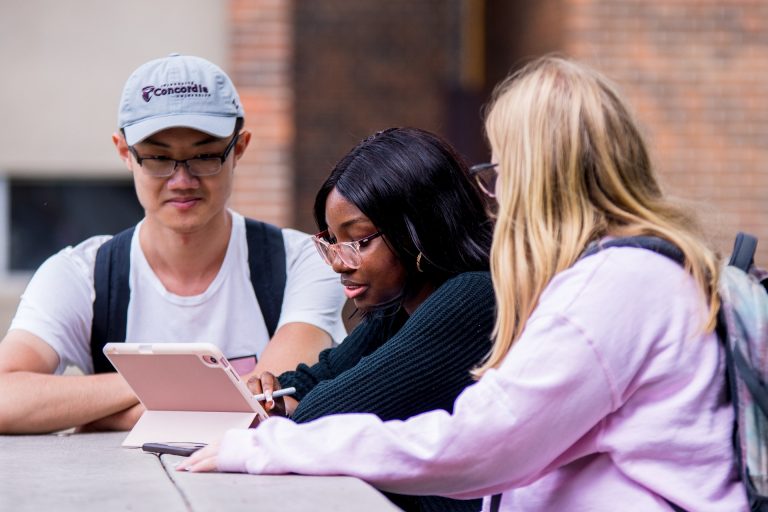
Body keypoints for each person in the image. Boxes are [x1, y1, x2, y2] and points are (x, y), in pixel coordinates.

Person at [180, 57, 748, 511]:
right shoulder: (638, 274)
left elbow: (479, 443)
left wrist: (265, 447)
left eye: (501, 171)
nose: (495, 193)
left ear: (538, 176)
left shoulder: (618, 287)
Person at [0, 54, 346, 435]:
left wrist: (97, 411)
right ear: (124, 152)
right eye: (159, 158)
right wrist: (161, 386)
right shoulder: (83, 275)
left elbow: (264, 407)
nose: (182, 180)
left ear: (240, 148)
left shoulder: (301, 262)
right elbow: (5, 396)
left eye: (204, 155)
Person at [251, 127, 495, 511]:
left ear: (420, 229)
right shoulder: (398, 309)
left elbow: (318, 416)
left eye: (360, 240)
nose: (338, 263)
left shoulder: (473, 298)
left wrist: (290, 406)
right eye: (332, 240)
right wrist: (277, 398)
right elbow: (306, 383)